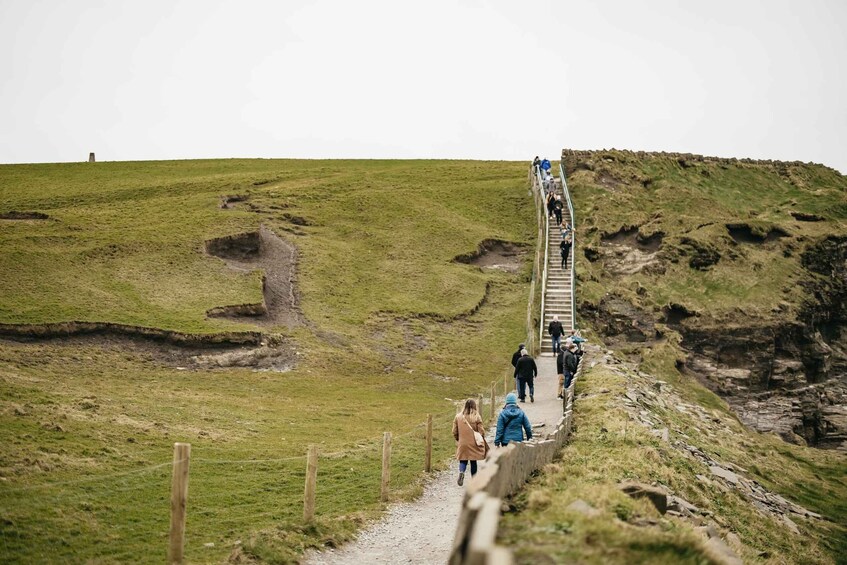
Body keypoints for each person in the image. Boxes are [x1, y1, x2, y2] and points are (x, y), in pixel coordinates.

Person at [452, 398, 489, 486]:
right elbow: (481, 431)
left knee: (463, 460)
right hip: (474, 443)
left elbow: (454, 431)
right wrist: (481, 438)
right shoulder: (476, 417)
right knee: (473, 461)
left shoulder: (458, 417)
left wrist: (458, 439)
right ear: (474, 406)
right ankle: (474, 480)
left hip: (463, 442)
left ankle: (461, 472)